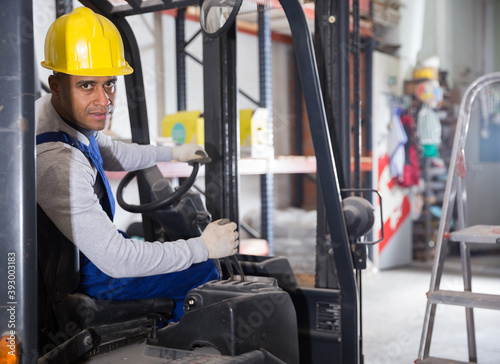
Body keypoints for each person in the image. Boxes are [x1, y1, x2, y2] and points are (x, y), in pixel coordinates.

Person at [36, 7, 239, 321]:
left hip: (81, 256)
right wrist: (204, 246)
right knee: (201, 271)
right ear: (56, 84)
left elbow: (115, 153)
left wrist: (173, 153)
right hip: (88, 274)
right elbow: (117, 260)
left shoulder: (57, 116)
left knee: (155, 247)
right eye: (87, 85)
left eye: (110, 84)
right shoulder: (55, 161)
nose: (104, 100)